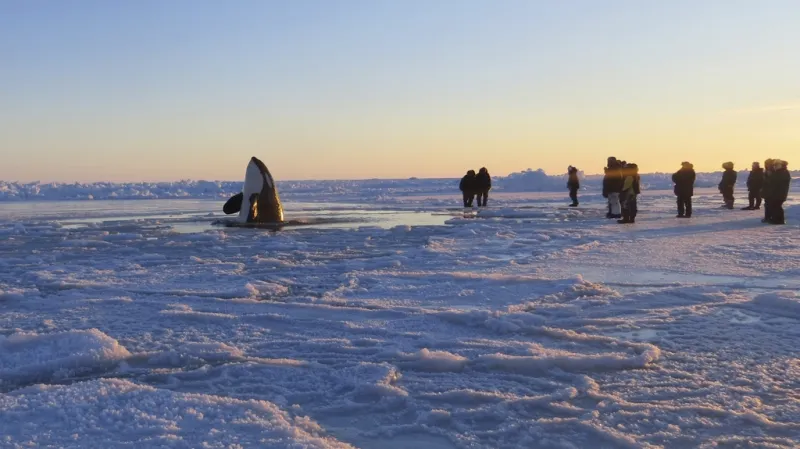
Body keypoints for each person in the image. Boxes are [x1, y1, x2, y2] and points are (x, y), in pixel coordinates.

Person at [766, 160, 791, 225]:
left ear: (781, 165)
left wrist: (770, 176)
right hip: (777, 193)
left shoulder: (783, 172)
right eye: (774, 165)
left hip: (780, 193)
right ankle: (777, 220)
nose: (775, 166)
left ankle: (779, 220)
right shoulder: (779, 172)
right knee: (776, 206)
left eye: (776, 165)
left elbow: (776, 181)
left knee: (777, 206)